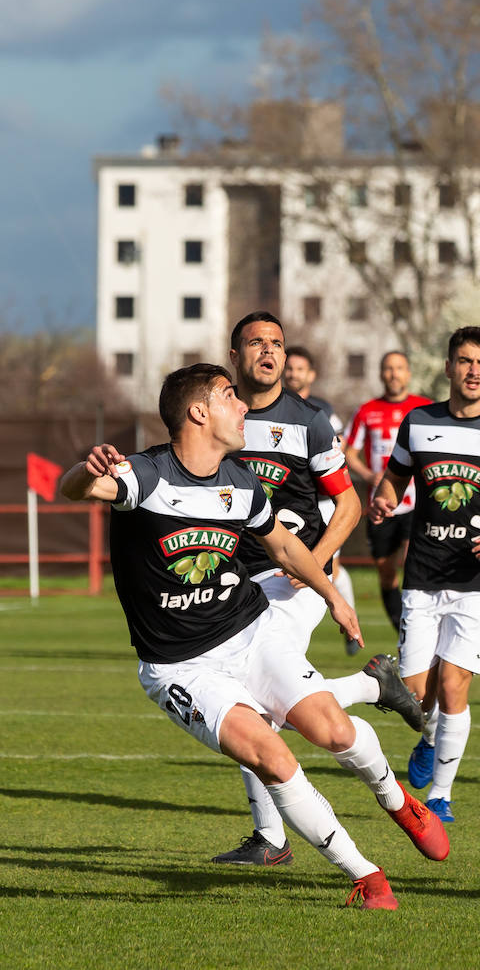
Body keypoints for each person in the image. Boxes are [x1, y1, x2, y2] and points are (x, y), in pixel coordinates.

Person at [59, 363, 449, 909]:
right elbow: (74, 488)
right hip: (181, 667)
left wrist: (335, 597)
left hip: (252, 630)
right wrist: (85, 467)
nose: (243, 406)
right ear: (199, 412)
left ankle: (398, 800)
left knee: (333, 732)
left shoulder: (240, 481)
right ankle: (367, 876)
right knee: (271, 754)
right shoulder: (145, 475)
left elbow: (286, 548)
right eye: (229, 397)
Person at [214, 312, 424, 868]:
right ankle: (371, 685)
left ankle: (273, 838)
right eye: (256, 342)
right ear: (234, 355)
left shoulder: (309, 420)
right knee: (250, 700)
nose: (268, 351)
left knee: (255, 702)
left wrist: (316, 563)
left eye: (277, 344)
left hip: (295, 581)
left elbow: (350, 503)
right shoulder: (217, 414)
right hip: (234, 583)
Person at [369, 326, 480, 821]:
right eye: (465, 361)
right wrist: (385, 499)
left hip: (478, 581)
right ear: (449, 367)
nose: (473, 371)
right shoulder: (418, 423)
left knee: (453, 685)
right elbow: (393, 478)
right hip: (424, 573)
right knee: (414, 692)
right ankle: (429, 737)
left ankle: (441, 797)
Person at [345, 351, 432, 632]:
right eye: (388, 368)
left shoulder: (425, 410)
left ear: (408, 373)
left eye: (399, 368)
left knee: (412, 562)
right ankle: (401, 629)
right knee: (386, 573)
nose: (393, 373)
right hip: (380, 504)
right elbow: (349, 453)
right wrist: (370, 475)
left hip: (415, 502)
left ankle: (417, 625)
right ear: (381, 374)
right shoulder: (367, 411)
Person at [283, 344, 356, 640]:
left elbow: (339, 445)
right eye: (290, 367)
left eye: (300, 368)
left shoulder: (321, 410)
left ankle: (345, 615)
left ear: (311, 374)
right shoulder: (270, 406)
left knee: (328, 565)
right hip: (285, 504)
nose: (293, 373)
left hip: (324, 502)